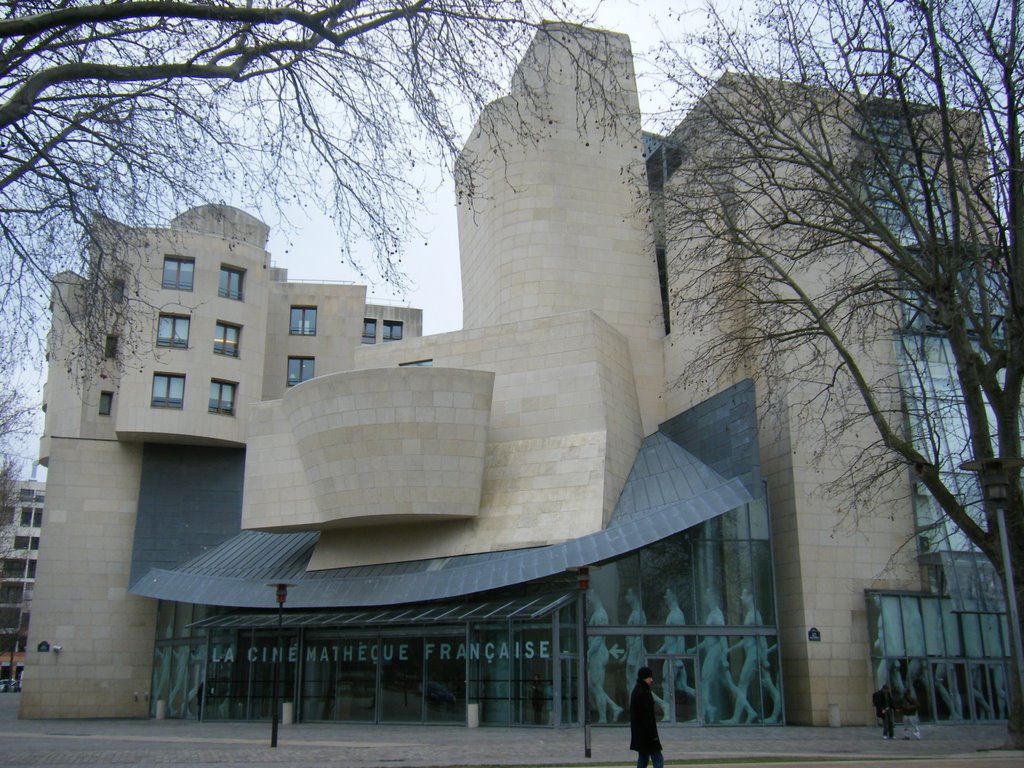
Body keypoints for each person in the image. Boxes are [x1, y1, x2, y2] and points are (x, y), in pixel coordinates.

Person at [629, 666, 664, 768]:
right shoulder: (642, 692)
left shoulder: (639, 690)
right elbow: (646, 717)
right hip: (647, 734)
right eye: (649, 677)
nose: (651, 680)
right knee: (657, 758)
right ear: (644, 678)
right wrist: (653, 736)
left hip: (640, 734)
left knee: (643, 757)